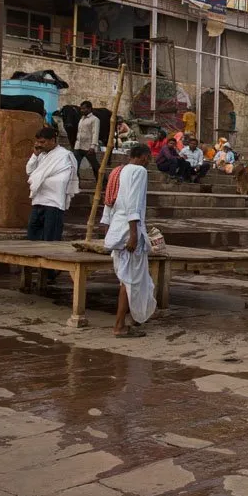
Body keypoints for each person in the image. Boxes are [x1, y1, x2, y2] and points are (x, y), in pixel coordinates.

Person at [102, 144, 155, 337]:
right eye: (148, 158)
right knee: (129, 280)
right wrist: (133, 235)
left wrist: (107, 230)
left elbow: (108, 203)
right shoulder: (139, 171)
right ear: (144, 157)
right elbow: (133, 204)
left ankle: (132, 319)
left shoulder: (118, 171)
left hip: (116, 229)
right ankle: (119, 326)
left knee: (127, 278)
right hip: (128, 230)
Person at [26, 126, 79, 258]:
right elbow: (30, 171)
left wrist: (43, 179)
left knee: (51, 240)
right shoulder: (41, 155)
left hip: (54, 202)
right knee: (32, 236)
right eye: (38, 142)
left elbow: (63, 179)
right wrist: (35, 155)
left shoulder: (64, 155)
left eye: (43, 142)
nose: (39, 145)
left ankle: (50, 268)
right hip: (38, 201)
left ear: (52, 140)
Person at [74, 101, 101, 180]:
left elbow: (95, 133)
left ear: (89, 109)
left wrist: (93, 146)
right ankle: (76, 183)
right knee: (75, 166)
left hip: (88, 147)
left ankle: (102, 182)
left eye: (84, 109)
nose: (82, 110)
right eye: (81, 109)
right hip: (78, 146)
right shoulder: (81, 119)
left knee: (95, 166)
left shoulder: (95, 119)